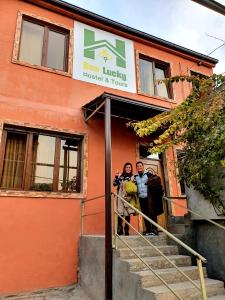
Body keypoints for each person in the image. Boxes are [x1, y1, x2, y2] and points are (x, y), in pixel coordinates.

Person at [134, 161, 163, 236]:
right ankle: (148, 230)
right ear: (136, 168)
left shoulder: (148, 174)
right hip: (141, 198)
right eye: (138, 166)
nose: (139, 167)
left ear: (143, 167)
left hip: (149, 197)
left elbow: (156, 180)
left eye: (140, 166)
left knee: (152, 213)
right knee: (145, 214)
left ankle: (155, 230)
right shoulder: (135, 177)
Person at [113, 162, 135, 236]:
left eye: (129, 167)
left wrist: (132, 181)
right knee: (120, 212)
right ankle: (119, 229)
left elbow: (134, 188)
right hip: (120, 196)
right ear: (124, 168)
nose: (128, 168)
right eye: (127, 167)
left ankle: (126, 229)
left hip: (128, 197)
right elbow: (114, 184)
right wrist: (116, 176)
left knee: (128, 213)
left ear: (131, 168)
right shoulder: (121, 176)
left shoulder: (132, 177)